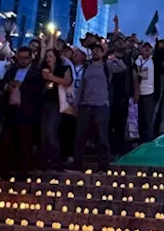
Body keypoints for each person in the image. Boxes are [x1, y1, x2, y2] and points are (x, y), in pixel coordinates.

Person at [1, 48, 43, 175]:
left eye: (26, 58)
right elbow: (3, 83)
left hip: (27, 111)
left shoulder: (35, 72)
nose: (23, 61)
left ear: (31, 58)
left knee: (24, 141)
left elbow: (37, 90)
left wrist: (21, 87)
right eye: (21, 58)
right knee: (8, 140)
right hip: (11, 110)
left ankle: (23, 170)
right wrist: (8, 87)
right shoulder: (12, 70)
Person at [74, 40, 112, 169]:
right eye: (94, 50)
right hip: (86, 104)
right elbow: (82, 86)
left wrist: (108, 56)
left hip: (101, 105)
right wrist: (76, 103)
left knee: (102, 136)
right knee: (80, 136)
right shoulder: (87, 66)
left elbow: (122, 67)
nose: (95, 52)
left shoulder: (107, 66)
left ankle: (103, 165)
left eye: (98, 50)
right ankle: (77, 162)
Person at [38, 48, 73, 170]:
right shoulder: (42, 70)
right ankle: (44, 160)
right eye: (47, 57)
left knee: (51, 132)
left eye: (51, 56)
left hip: (56, 103)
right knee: (43, 134)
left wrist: (52, 77)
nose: (48, 59)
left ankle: (56, 159)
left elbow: (67, 81)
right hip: (44, 103)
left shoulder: (63, 69)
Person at [134, 42, 156, 142]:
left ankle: (148, 139)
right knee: (139, 118)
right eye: (144, 48)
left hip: (149, 92)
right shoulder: (136, 60)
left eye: (149, 48)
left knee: (148, 117)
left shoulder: (153, 60)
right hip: (138, 93)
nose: (146, 49)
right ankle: (140, 138)